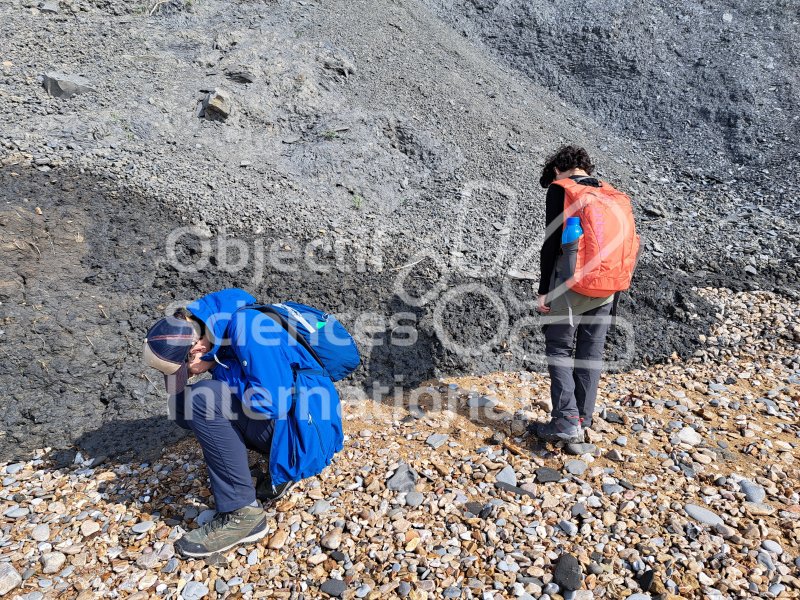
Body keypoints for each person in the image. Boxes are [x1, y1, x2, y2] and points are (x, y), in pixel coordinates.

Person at [143, 288, 344, 557]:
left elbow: (272, 403)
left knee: (202, 399)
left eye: (185, 367)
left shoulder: (249, 328)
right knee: (181, 404)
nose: (188, 374)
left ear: (198, 348)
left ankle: (243, 515)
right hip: (296, 424)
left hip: (307, 435)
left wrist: (215, 369)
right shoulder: (220, 331)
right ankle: (271, 467)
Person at [532, 145, 638, 444]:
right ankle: (582, 417)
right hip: (608, 285)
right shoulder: (610, 192)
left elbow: (551, 243)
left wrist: (544, 290)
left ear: (556, 169)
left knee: (559, 349)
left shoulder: (561, 189)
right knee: (590, 352)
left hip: (571, 285)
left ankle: (566, 422)